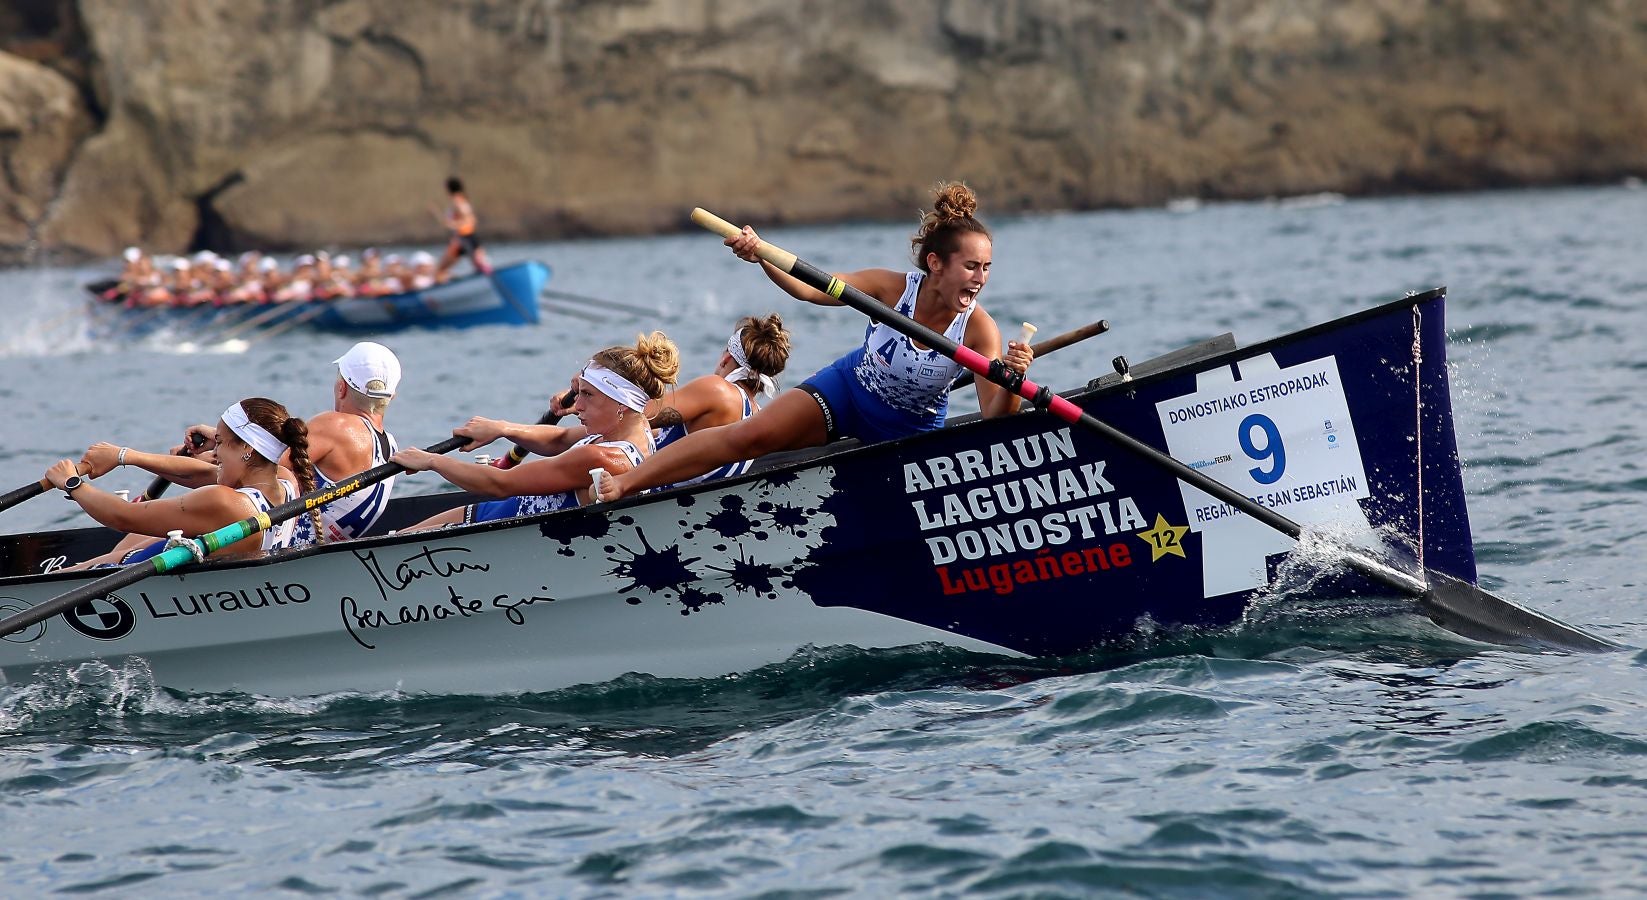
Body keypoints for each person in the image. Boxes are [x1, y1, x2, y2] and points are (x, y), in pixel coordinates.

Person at [595, 181, 1033, 502]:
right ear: (936, 263)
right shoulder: (892, 288)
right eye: (972, 266)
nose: (981, 278)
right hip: (846, 392)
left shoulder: (979, 330)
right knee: (749, 437)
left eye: (987, 267)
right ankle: (628, 483)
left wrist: (1012, 380)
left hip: (910, 429)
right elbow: (810, 288)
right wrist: (761, 254)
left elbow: (995, 417)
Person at [79, 342, 404, 545]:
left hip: (282, 535)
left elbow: (249, 469)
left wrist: (128, 456)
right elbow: (255, 461)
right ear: (392, 396)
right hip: (293, 531)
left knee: (166, 518)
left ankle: (92, 564)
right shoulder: (387, 443)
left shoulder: (337, 426)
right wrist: (221, 441)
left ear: (342, 387)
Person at [458, 314, 791, 487]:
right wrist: (503, 428)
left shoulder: (716, 390)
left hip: (641, 494)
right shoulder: (754, 413)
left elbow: (634, 410)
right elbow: (567, 437)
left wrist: (590, 392)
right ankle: (501, 444)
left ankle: (498, 475)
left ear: (726, 358)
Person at [392, 332, 679, 530]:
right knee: (397, 538)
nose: (576, 406)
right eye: (578, 392)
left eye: (588, 396)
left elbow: (499, 484)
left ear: (621, 403)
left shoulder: (604, 459)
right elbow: (561, 438)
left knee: (393, 545)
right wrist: (502, 428)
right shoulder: (636, 427)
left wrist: (431, 461)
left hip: (501, 531)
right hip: (498, 514)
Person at [47, 398, 319, 569]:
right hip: (231, 574)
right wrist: (125, 456)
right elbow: (203, 472)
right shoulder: (286, 481)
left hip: (148, 583)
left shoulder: (225, 502)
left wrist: (72, 483)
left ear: (247, 448)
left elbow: (122, 516)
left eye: (221, 443)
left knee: (137, 543)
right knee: (146, 538)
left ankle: (73, 573)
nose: (214, 454)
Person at [435, 176, 493, 279]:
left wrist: (452, 224)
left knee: (440, 270)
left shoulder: (458, 202)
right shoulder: (463, 200)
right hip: (468, 238)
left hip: (463, 239)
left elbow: (470, 220)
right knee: (482, 267)